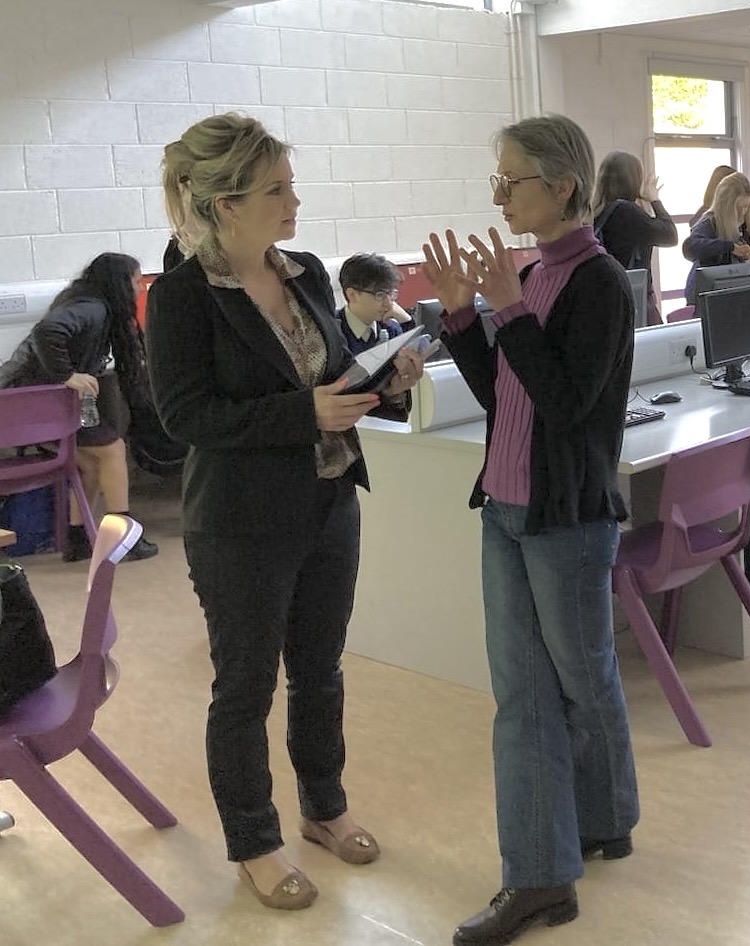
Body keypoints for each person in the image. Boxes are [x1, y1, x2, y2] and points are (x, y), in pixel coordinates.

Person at [145, 113, 424, 910]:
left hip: (328, 501)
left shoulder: (304, 273)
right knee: (245, 687)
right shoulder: (182, 296)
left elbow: (331, 372)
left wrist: (382, 383)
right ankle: (253, 841)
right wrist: (305, 414)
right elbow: (184, 417)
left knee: (320, 672)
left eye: (291, 186)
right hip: (240, 524)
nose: (294, 202)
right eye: (276, 190)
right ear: (226, 204)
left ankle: (323, 808)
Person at [421, 114, 640, 946]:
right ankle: (549, 868)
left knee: (582, 679)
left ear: (562, 186)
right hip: (507, 508)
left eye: (510, 181)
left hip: (566, 518)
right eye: (498, 181)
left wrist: (508, 309)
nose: (499, 196)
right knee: (524, 697)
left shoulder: (597, 282)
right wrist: (462, 317)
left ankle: (597, 825)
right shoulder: (531, 275)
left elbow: (567, 404)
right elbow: (505, 394)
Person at [0, 252, 159, 563]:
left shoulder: (84, 302)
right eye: (136, 281)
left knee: (89, 462)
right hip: (27, 406)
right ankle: (124, 538)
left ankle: (78, 538)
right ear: (119, 283)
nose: (140, 288)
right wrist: (67, 375)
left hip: (24, 407)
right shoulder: (92, 308)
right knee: (112, 450)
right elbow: (48, 332)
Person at [592, 150, 678, 323]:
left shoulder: (597, 213)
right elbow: (670, 235)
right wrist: (654, 200)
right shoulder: (626, 211)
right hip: (634, 300)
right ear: (633, 180)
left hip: (609, 300)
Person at [682, 171, 750, 305]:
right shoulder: (710, 223)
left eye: (746, 207)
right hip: (709, 297)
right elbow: (689, 247)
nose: (742, 213)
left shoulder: (749, 222)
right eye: (737, 208)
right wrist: (730, 247)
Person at [337, 252, 414, 356]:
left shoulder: (391, 329)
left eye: (391, 293)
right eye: (380, 295)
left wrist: (406, 321)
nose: (388, 304)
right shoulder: (332, 332)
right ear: (352, 295)